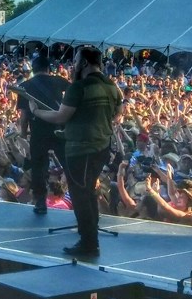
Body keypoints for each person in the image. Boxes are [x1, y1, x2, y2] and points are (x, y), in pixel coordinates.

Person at [30, 48, 123, 257]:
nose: (73, 64)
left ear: (85, 63)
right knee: (89, 190)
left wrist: (36, 111)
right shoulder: (111, 86)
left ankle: (89, 243)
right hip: (102, 146)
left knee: (80, 194)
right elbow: (118, 113)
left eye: (76, 60)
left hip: (81, 149)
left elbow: (61, 117)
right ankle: (89, 235)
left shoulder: (78, 87)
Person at [16, 56, 70, 214]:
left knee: (39, 166)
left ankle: (40, 201)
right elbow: (74, 96)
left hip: (38, 130)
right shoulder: (59, 81)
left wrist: (23, 133)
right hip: (59, 127)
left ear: (33, 69)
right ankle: (79, 195)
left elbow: (24, 115)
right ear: (49, 68)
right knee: (68, 164)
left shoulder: (25, 86)